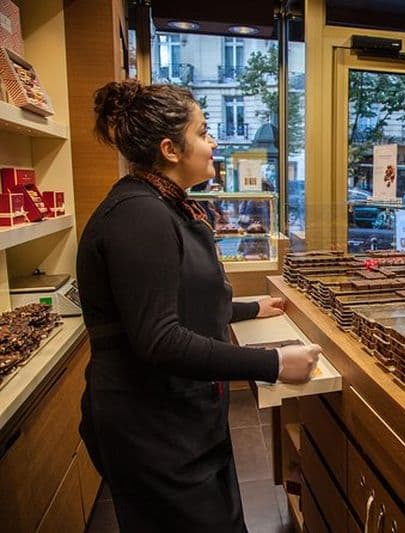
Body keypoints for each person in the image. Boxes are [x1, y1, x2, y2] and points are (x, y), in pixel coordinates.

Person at [77, 80, 321, 532]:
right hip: (152, 429)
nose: (213, 143)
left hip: (177, 417)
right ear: (170, 149)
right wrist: (272, 363)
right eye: (203, 131)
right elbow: (159, 338)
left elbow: (182, 297)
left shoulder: (161, 206)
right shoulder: (139, 215)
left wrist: (250, 309)